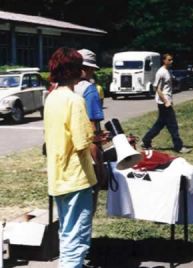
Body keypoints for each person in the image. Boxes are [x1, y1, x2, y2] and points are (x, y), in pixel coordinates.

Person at [44, 47, 97, 267]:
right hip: (76, 177)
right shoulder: (74, 100)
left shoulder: (52, 97)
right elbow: (82, 142)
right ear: (74, 70)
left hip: (58, 176)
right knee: (77, 238)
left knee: (67, 233)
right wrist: (96, 137)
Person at [75, 48, 107, 214]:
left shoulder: (59, 89)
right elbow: (93, 131)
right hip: (87, 155)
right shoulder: (90, 90)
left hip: (66, 157)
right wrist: (99, 165)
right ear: (87, 69)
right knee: (87, 208)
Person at [141, 53, 192, 153]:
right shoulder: (161, 72)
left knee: (159, 124)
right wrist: (166, 101)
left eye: (172, 59)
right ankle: (179, 147)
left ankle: (146, 140)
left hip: (167, 101)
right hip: (163, 103)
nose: (171, 61)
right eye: (169, 60)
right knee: (173, 125)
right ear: (164, 61)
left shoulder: (167, 71)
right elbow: (157, 88)